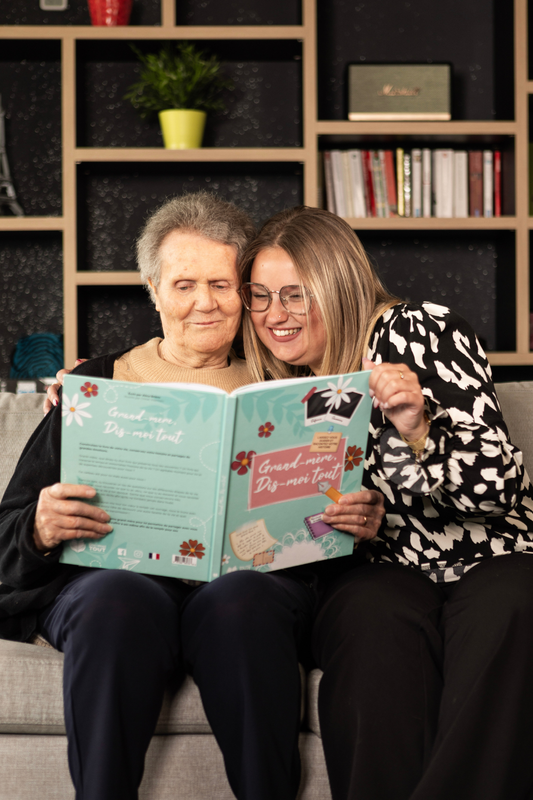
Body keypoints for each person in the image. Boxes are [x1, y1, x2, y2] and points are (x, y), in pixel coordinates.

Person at [0, 193, 383, 800]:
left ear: (244, 293)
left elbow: (327, 528)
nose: (204, 302)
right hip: (116, 585)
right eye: (183, 284)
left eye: (222, 284)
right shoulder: (91, 387)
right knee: (113, 597)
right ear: (152, 290)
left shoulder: (291, 389)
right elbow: (7, 536)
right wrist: (39, 528)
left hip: (245, 586)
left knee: (242, 600)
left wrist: (352, 518)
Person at [235, 205, 533, 800]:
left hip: (493, 553)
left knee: (513, 603)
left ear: (339, 282)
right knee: (371, 618)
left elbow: (497, 489)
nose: (275, 315)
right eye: (260, 296)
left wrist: (418, 426)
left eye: (295, 294)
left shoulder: (414, 330)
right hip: (379, 572)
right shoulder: (277, 388)